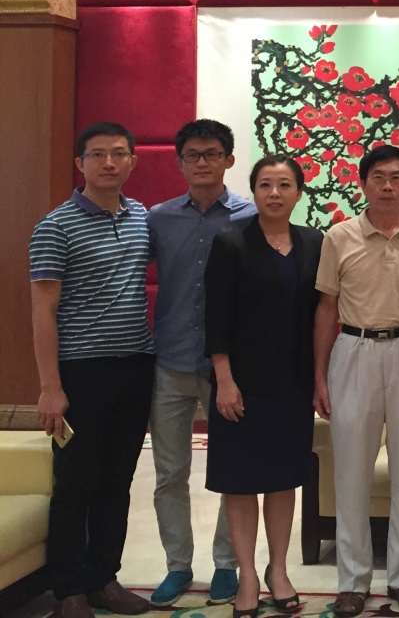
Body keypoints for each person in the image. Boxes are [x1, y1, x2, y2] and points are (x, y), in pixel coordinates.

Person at [28, 122, 154, 618]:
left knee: (117, 481)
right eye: (97, 154)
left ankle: (104, 579)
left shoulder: (141, 217)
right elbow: (42, 311)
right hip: (80, 372)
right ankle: (69, 591)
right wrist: (50, 387)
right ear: (80, 163)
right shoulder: (55, 226)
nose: (109, 163)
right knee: (75, 483)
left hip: (136, 368)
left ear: (133, 162)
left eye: (119, 153)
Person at [313, 145, 399, 618]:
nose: (387, 185)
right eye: (378, 177)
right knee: (351, 472)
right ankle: (353, 580)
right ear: (363, 183)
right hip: (354, 349)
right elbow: (326, 308)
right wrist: (319, 375)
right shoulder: (339, 236)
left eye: (397, 177)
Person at [204, 154, 323, 618]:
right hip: (242, 383)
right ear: (253, 191)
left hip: (292, 382)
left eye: (285, 184)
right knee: (240, 481)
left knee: (282, 478)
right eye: (265, 185)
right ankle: (248, 575)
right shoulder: (231, 242)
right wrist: (224, 380)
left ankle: (279, 570)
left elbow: (321, 315)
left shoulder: (313, 242)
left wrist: (318, 378)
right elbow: (216, 317)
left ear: (299, 192)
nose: (275, 193)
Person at [148, 119, 256, 607]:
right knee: (170, 472)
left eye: (212, 154)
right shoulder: (158, 218)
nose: (202, 162)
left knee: (233, 470)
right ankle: (177, 565)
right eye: (192, 155)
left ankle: (227, 564)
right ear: (180, 162)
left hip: (228, 367)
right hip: (170, 359)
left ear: (229, 160)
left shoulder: (252, 217)